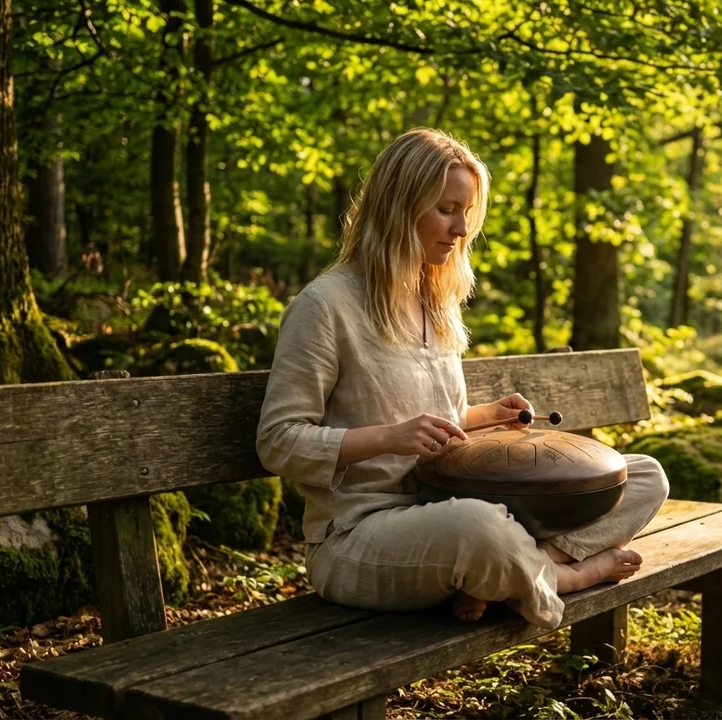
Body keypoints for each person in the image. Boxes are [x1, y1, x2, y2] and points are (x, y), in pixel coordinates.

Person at [255, 128, 669, 629]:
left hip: (451, 504)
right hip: (362, 533)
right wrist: (388, 438)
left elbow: (432, 425)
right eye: (446, 209)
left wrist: (487, 417)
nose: (461, 228)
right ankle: (568, 575)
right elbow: (278, 441)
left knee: (639, 475)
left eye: (467, 212)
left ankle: (507, 572)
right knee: (479, 527)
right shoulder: (325, 306)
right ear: (398, 206)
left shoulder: (434, 301)